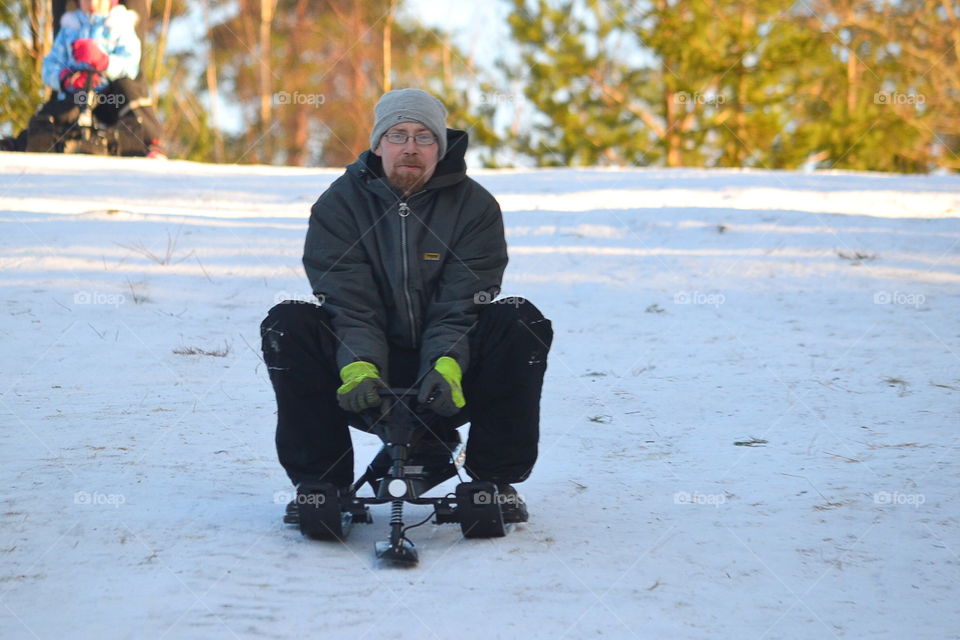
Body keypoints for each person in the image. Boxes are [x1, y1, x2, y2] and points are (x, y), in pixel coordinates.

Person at [260, 88, 553, 522]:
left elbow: (463, 305)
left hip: (452, 375)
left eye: (424, 137)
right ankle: (320, 484)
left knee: (518, 317)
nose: (411, 147)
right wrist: (358, 366)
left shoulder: (476, 207)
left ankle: (494, 481)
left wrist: (447, 365)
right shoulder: (338, 205)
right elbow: (348, 303)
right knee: (288, 321)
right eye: (398, 135)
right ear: (378, 145)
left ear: (442, 146)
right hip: (362, 376)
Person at [28, 0, 164, 157]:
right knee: (52, 114)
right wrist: (65, 78)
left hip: (109, 96)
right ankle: (25, 141)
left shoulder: (120, 25)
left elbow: (131, 62)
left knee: (128, 92)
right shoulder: (69, 28)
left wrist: (104, 61)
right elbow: (50, 64)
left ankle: (149, 143)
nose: (93, 2)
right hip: (76, 95)